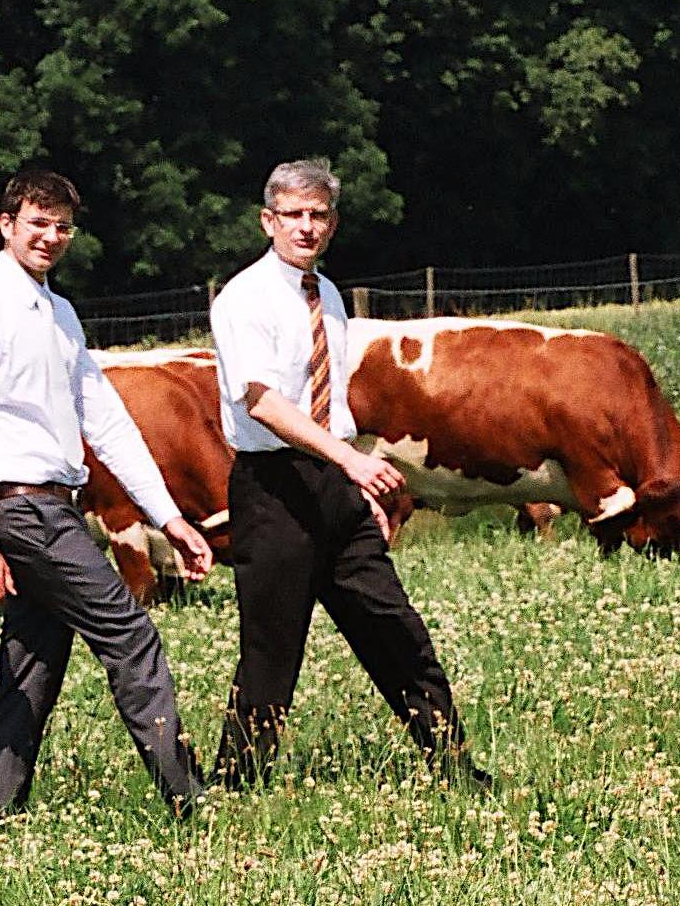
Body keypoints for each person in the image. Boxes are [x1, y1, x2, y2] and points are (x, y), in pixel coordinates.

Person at [0, 168, 218, 820]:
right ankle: (188, 798)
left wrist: (169, 519)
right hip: (18, 506)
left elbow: (107, 421)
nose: (51, 237)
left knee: (33, 662)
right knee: (131, 634)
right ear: (6, 226)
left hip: (53, 504)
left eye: (62, 226)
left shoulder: (59, 313)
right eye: (37, 223)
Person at [205, 159, 490, 790]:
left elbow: (328, 404)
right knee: (271, 652)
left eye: (318, 215)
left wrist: (358, 475)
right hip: (274, 488)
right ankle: (234, 787)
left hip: (336, 485)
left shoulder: (326, 295)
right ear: (267, 221)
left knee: (395, 629)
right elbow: (264, 403)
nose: (306, 227)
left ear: (332, 223)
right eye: (293, 215)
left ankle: (454, 768)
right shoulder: (242, 299)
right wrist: (351, 460)